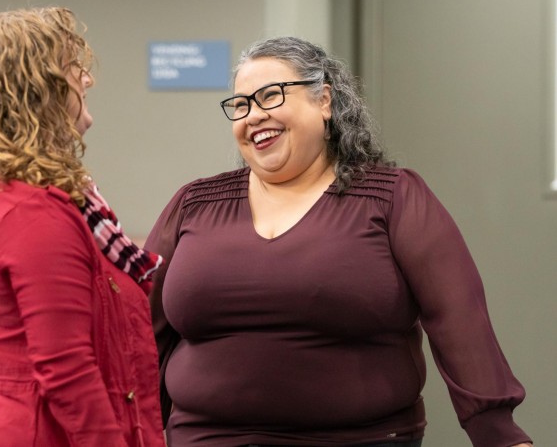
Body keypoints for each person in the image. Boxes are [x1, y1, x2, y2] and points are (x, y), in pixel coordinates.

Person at [145, 36, 532, 447]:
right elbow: (140, 331)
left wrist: (499, 434)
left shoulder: (391, 197)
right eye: (241, 105)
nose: (253, 116)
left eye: (270, 96)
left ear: (324, 100)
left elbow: (459, 323)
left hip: (359, 439)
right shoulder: (194, 204)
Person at [0, 7, 165, 447]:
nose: (87, 79)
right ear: (38, 90)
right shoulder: (33, 214)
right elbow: (66, 371)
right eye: (72, 68)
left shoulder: (25, 196)